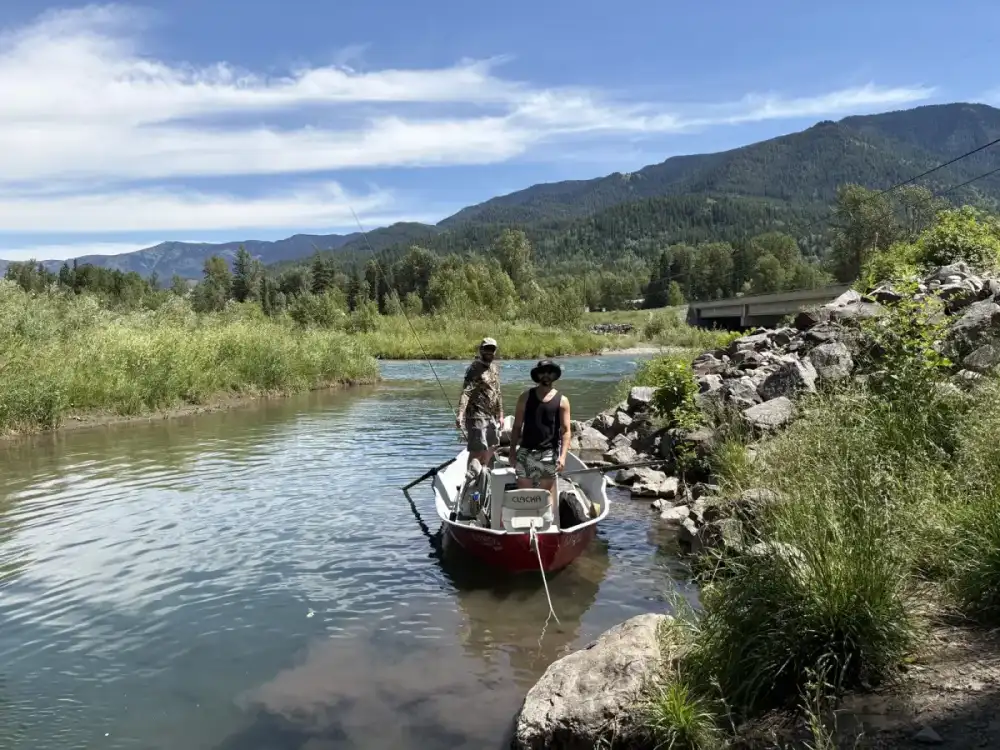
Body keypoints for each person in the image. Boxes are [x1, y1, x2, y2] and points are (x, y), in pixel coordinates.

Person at [508, 359, 571, 520]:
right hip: (526, 450)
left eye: (549, 372)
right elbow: (516, 427)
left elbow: (565, 431)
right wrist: (512, 452)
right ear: (537, 375)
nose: (546, 376)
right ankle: (526, 523)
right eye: (543, 372)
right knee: (525, 494)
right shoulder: (525, 397)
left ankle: (545, 523)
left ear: (554, 376)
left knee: (545, 494)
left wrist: (563, 457)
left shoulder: (562, 401)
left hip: (549, 452)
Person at [455, 337, 503, 468]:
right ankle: (470, 480)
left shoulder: (494, 368)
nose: (489, 352)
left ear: (495, 351)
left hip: (491, 415)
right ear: (481, 350)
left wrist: (501, 414)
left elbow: (497, 392)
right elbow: (466, 392)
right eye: (486, 349)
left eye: (492, 349)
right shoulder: (474, 368)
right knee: (477, 451)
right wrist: (460, 414)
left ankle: (483, 474)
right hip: (476, 415)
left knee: (493, 445)